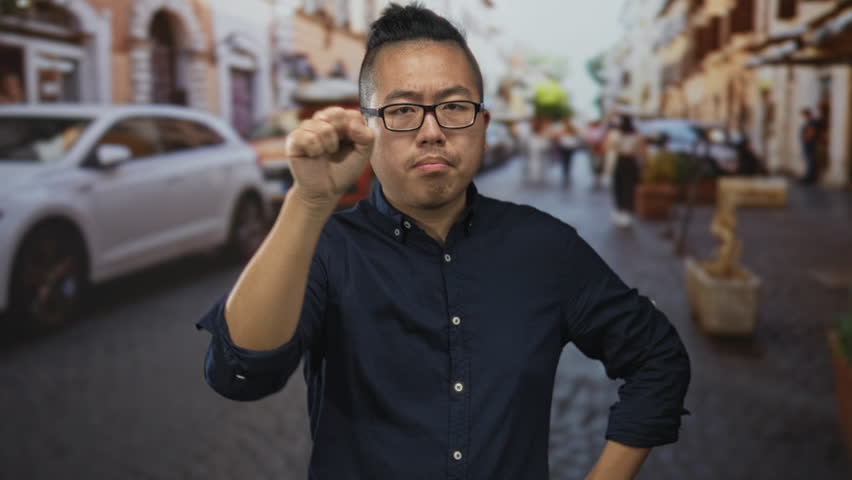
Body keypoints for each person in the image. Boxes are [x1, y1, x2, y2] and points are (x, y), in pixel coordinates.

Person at [196, 4, 690, 479]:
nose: (431, 131)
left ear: (483, 124)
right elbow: (238, 375)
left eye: (454, 107)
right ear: (368, 127)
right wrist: (308, 203)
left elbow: (657, 357)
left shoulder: (544, 247)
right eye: (403, 109)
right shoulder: (325, 248)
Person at [606, 115, 646, 227]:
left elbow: (609, 147)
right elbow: (642, 151)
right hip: (631, 163)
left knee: (619, 186)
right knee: (629, 187)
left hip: (620, 161)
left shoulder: (616, 134)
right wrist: (643, 163)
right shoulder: (637, 135)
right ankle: (627, 212)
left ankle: (620, 210)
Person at [554, 117, 580, 187]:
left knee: (566, 160)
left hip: (568, 146)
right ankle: (566, 171)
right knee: (566, 160)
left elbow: (577, 134)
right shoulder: (564, 128)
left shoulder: (571, 128)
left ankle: (566, 171)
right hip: (566, 145)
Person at [799, 108, 820, 184]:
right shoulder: (810, 121)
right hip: (808, 143)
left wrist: (807, 138)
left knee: (810, 160)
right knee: (809, 160)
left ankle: (810, 178)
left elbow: (811, 131)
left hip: (809, 144)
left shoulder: (811, 121)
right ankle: (809, 176)